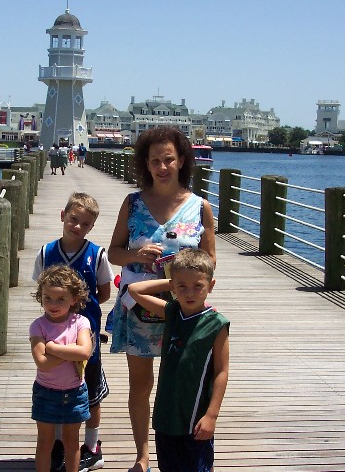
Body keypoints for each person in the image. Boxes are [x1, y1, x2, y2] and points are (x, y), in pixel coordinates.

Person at [108, 126, 216, 472]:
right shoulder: (133, 202)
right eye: (155, 160)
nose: (162, 166)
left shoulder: (200, 207)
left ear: (182, 159)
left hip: (182, 309)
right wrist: (137, 254)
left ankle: (185, 449)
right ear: (146, 164)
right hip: (138, 308)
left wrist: (183, 272)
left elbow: (210, 263)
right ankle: (142, 456)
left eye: (169, 158)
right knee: (141, 385)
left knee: (181, 381)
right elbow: (113, 253)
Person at [126, 249, 229, 472]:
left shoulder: (216, 323)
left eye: (198, 286)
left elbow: (221, 371)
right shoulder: (172, 311)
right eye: (182, 286)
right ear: (173, 287)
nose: (189, 293)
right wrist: (171, 282)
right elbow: (134, 290)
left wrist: (211, 415)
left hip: (195, 418)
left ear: (210, 286)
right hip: (166, 415)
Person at [33, 192, 114, 472]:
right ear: (63, 216)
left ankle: (91, 446)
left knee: (89, 391)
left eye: (85, 224)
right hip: (53, 331)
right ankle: (57, 445)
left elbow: (104, 292)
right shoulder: (46, 252)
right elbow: (39, 288)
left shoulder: (97, 255)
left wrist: (80, 311)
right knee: (55, 385)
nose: (77, 226)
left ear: (91, 227)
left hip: (85, 334)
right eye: (73, 219)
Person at [30, 265, 93, 472]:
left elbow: (84, 352)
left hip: (75, 391)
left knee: (72, 441)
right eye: (47, 298)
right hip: (46, 392)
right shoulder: (38, 326)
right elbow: (42, 363)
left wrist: (52, 348)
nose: (53, 304)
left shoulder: (80, 322)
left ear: (74, 299)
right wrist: (69, 351)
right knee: (45, 442)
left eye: (60, 299)